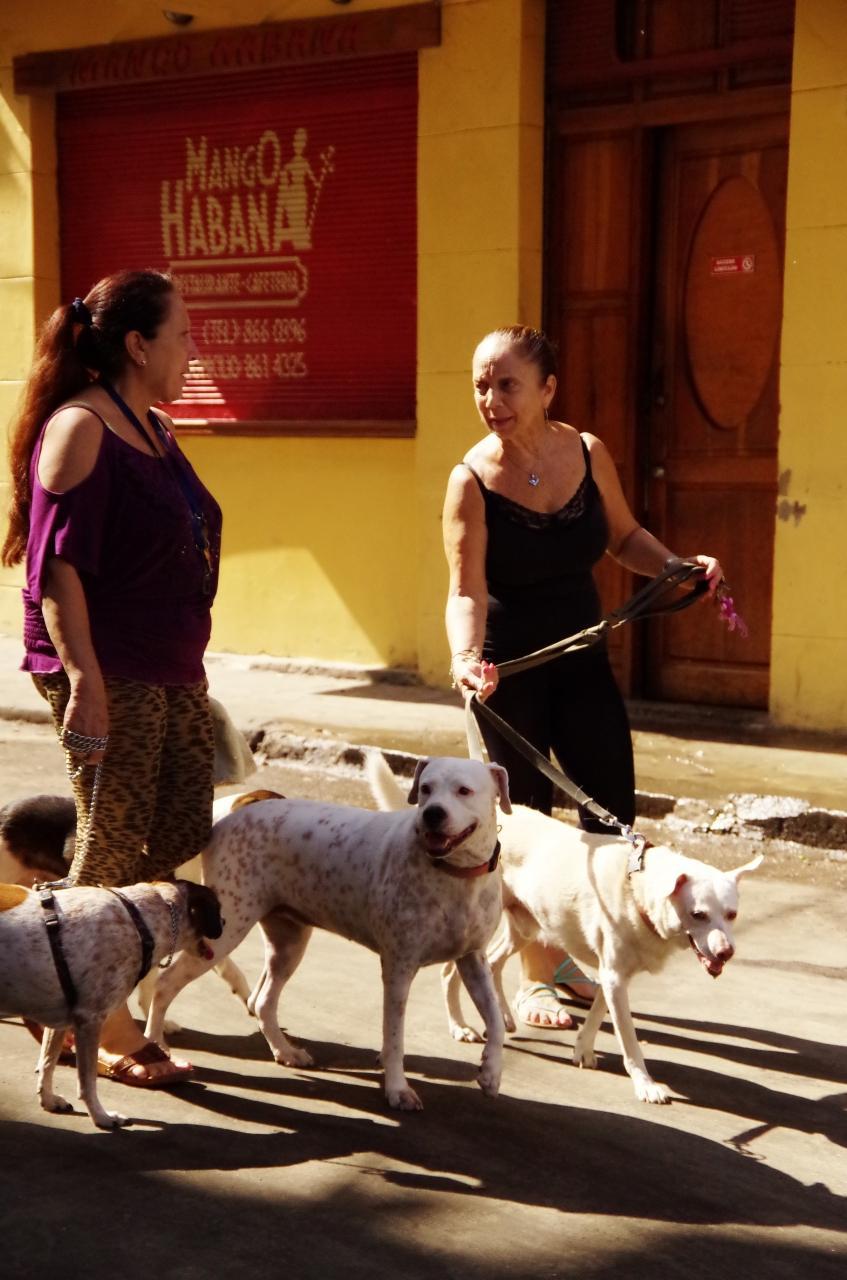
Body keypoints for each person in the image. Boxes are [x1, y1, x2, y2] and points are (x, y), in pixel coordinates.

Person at [443, 325, 723, 1029]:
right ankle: (535, 977)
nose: (490, 399)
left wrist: (675, 569)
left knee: (610, 813)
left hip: (583, 662)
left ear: (547, 389)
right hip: (508, 674)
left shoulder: (588, 452)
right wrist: (465, 658)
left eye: (506, 384)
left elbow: (623, 537)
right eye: (480, 385)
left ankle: (580, 950)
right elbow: (465, 589)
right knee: (525, 827)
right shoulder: (470, 480)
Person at [1, 269, 222, 1086]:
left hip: (171, 665)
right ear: (137, 344)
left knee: (178, 829)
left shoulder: (152, 427)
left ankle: (67, 965)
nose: (191, 351)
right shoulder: (81, 428)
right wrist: (84, 679)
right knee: (113, 838)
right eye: (182, 335)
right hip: (109, 666)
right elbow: (55, 570)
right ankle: (85, 1013)